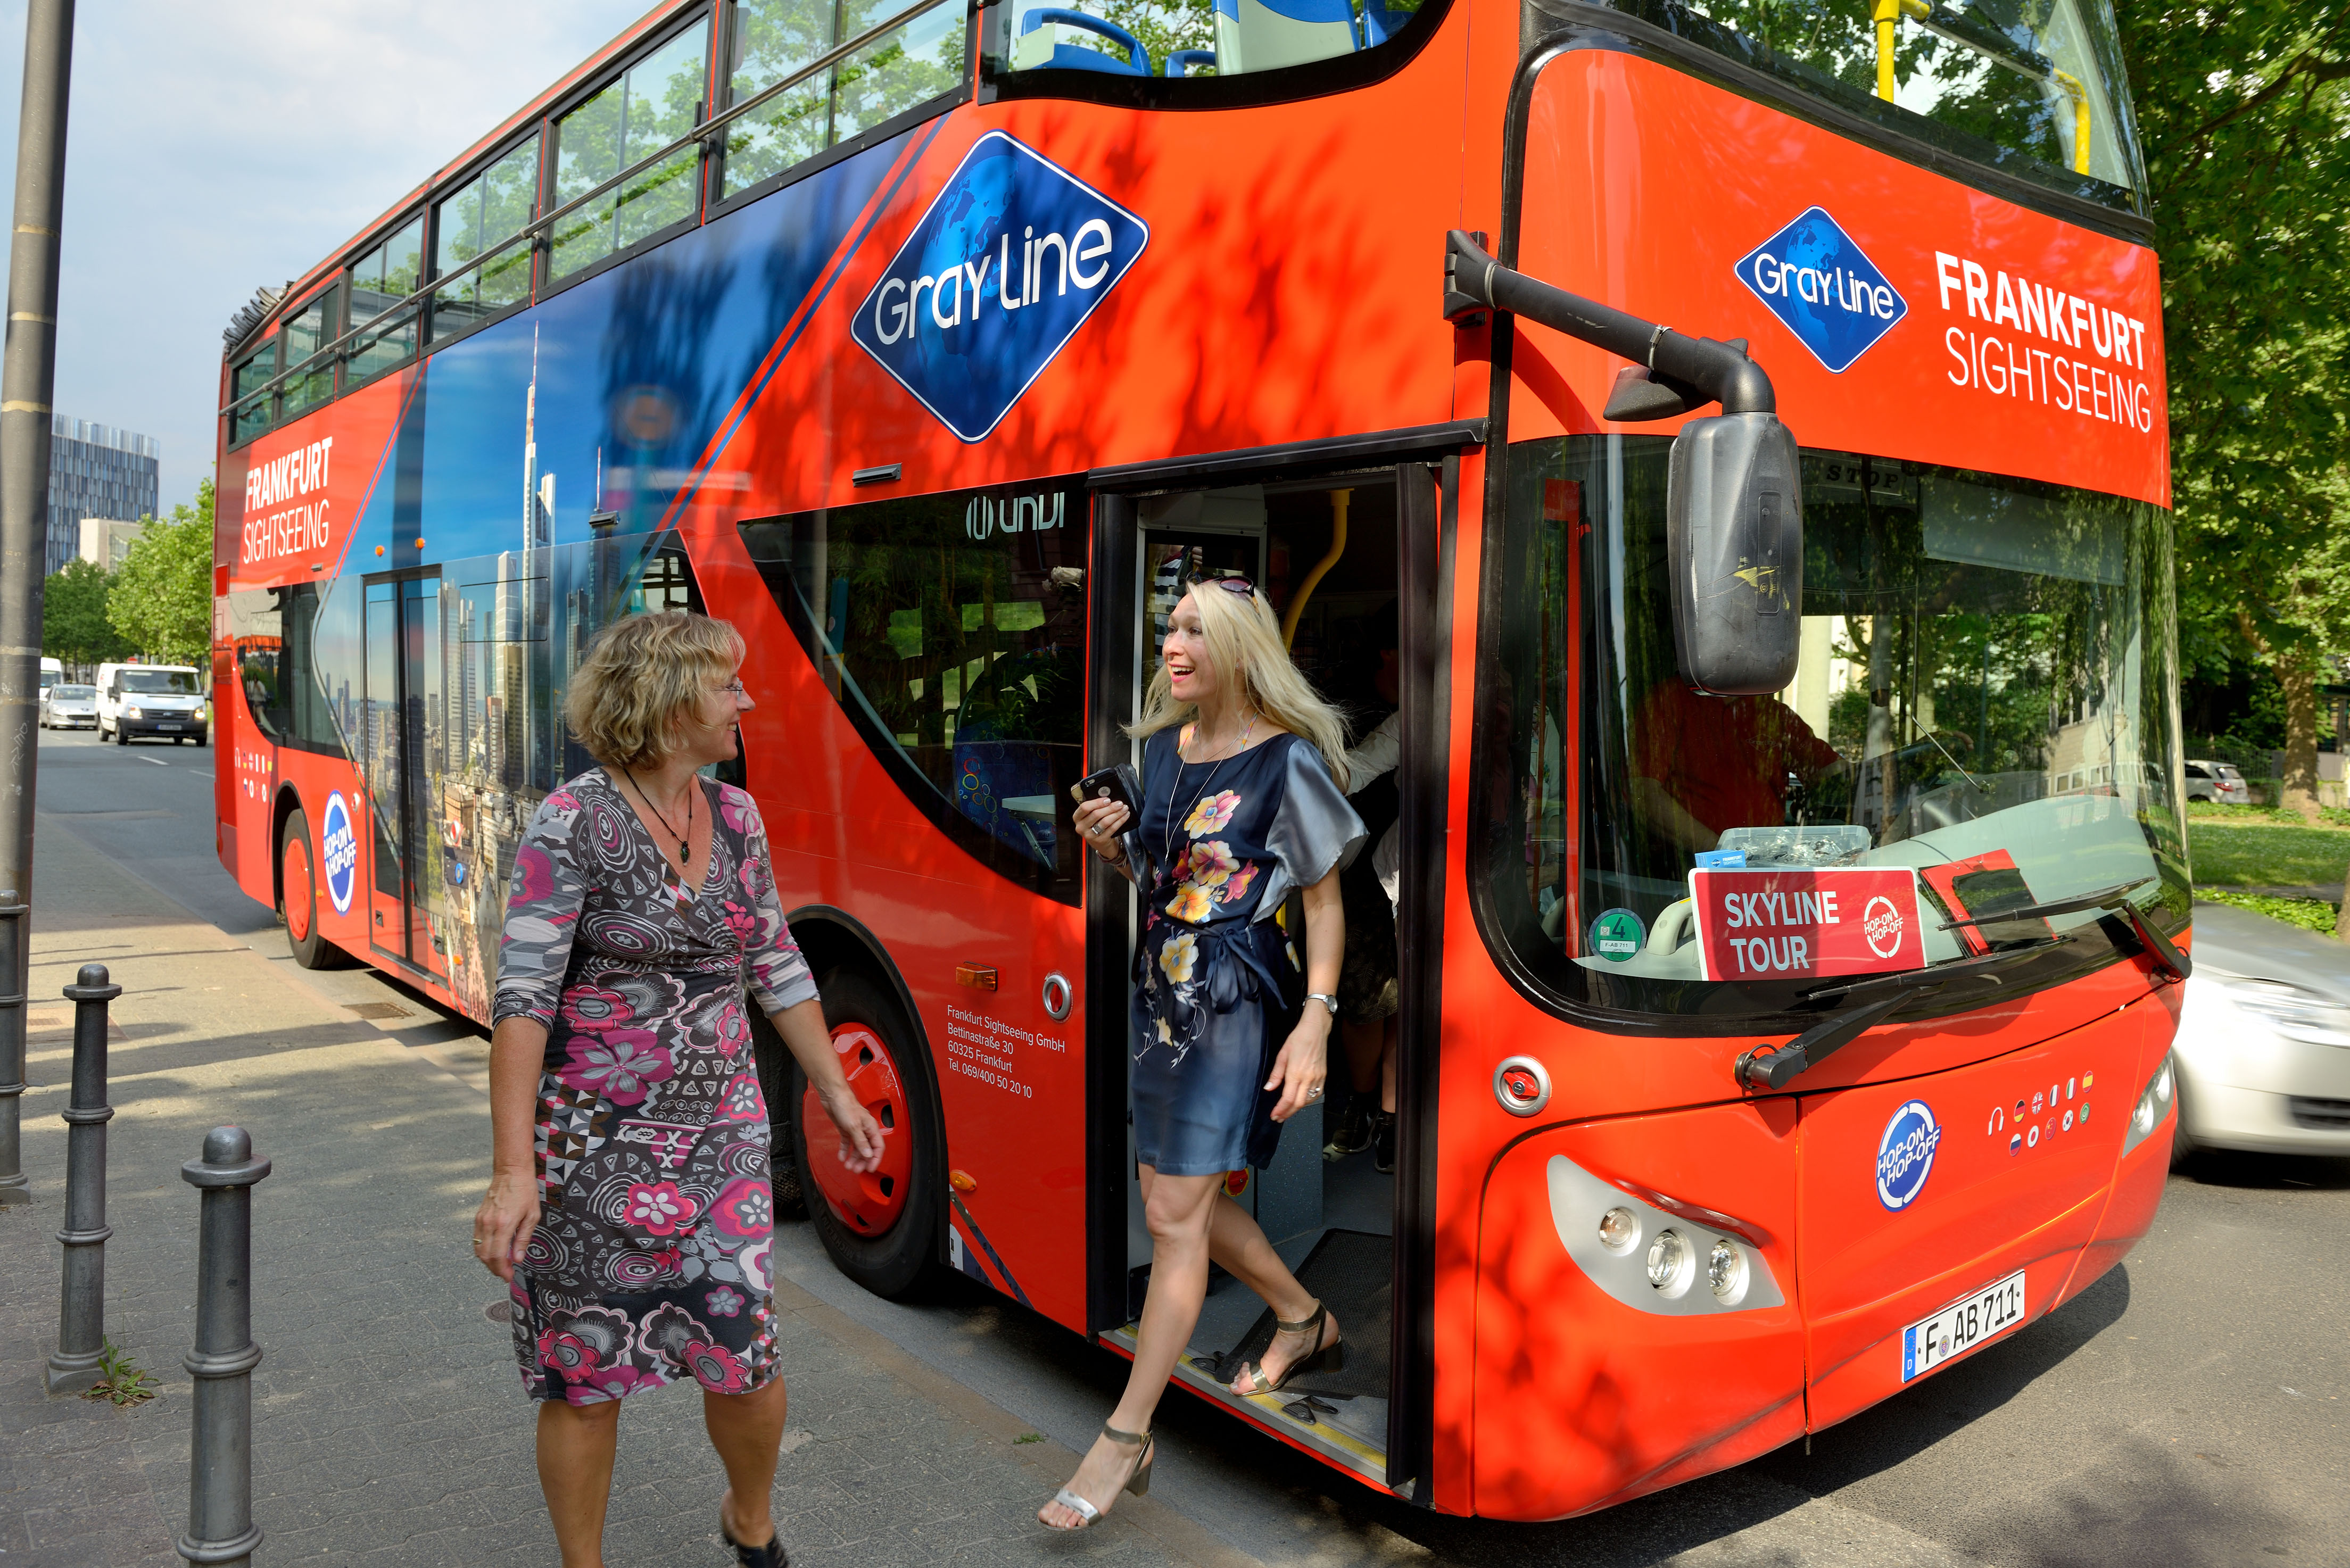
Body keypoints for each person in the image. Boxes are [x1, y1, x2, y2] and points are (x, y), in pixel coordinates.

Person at [472, 610, 886, 1568]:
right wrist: (510, 1172)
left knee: (745, 1357)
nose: (746, 699)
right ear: (666, 709)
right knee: (585, 1374)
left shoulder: (736, 814)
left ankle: (750, 1516)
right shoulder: (572, 820)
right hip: (589, 1145)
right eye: (726, 685)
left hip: (722, 1138)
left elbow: (774, 957)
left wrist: (835, 1089)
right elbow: (523, 997)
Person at [1048, 574, 1365, 1530]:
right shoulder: (1169, 751)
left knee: (1177, 1213)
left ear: (1237, 645)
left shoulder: (1287, 763)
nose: (1172, 644)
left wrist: (1316, 1020)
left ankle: (1128, 1430)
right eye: (1169, 628)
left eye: (1193, 629)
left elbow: (1322, 902)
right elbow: (1164, 878)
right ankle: (1305, 1317)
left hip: (1235, 1002)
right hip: (1162, 999)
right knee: (1169, 1195)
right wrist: (1110, 845)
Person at [1326, 632, 1402, 1171]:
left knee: (1411, 997)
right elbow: (1354, 771)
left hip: (1470, 876)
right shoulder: (1400, 718)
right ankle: (1363, 1101)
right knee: (1368, 998)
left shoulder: (1536, 723)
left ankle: (1395, 1116)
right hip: (1373, 872)